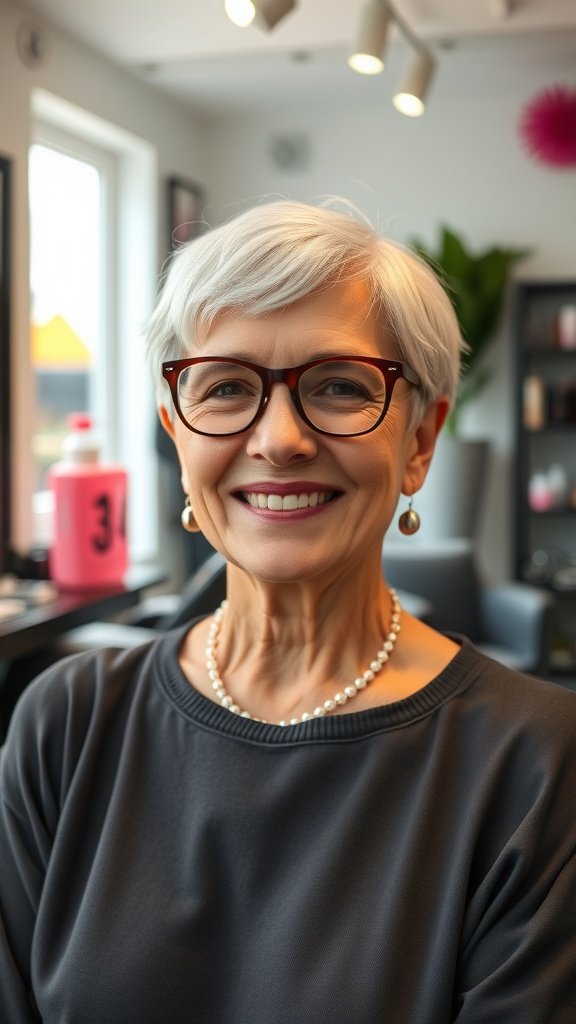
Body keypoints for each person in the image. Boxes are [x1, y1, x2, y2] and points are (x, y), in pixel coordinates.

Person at [1, 199, 575, 1024]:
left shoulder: (537, 766)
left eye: (339, 387)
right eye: (227, 387)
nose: (279, 439)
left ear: (418, 441)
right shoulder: (66, 723)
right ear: (178, 433)